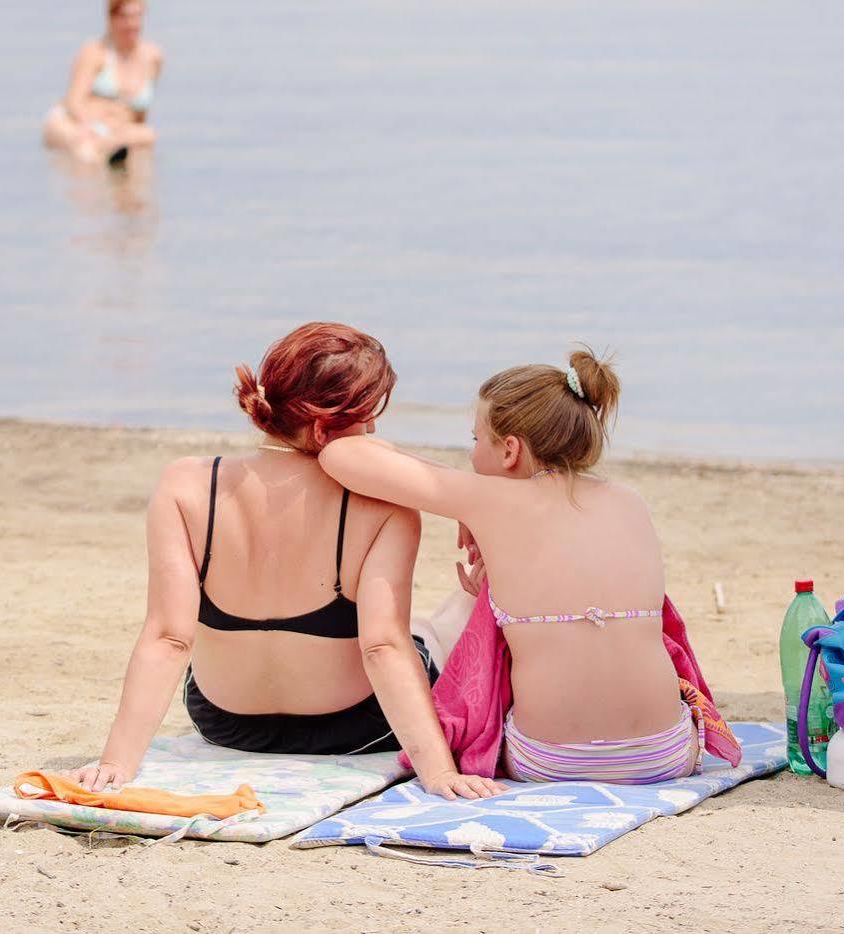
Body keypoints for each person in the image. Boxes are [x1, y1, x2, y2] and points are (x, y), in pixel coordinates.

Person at [71, 323, 501, 800]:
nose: (375, 430)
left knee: (425, 624)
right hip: (359, 730)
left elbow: (168, 637)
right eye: (367, 417)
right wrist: (439, 774)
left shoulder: (186, 485)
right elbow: (383, 649)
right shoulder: (384, 505)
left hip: (226, 725)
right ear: (323, 429)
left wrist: (116, 762)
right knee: (445, 621)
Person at [319, 351, 704, 787]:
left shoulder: (489, 501)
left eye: (475, 439)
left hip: (547, 762)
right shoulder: (630, 501)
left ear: (510, 450)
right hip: (665, 756)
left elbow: (343, 454)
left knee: (476, 608)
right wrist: (469, 506)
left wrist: (466, 502)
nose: (471, 455)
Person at [42, 0, 164, 165]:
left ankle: (120, 180)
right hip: (76, 122)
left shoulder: (153, 56)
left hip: (116, 130)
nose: (132, 24)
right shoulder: (95, 52)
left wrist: (121, 131)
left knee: (147, 136)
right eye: (124, 17)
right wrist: (89, 126)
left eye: (137, 17)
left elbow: (141, 115)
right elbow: (74, 101)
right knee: (86, 151)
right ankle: (90, 185)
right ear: (110, 19)